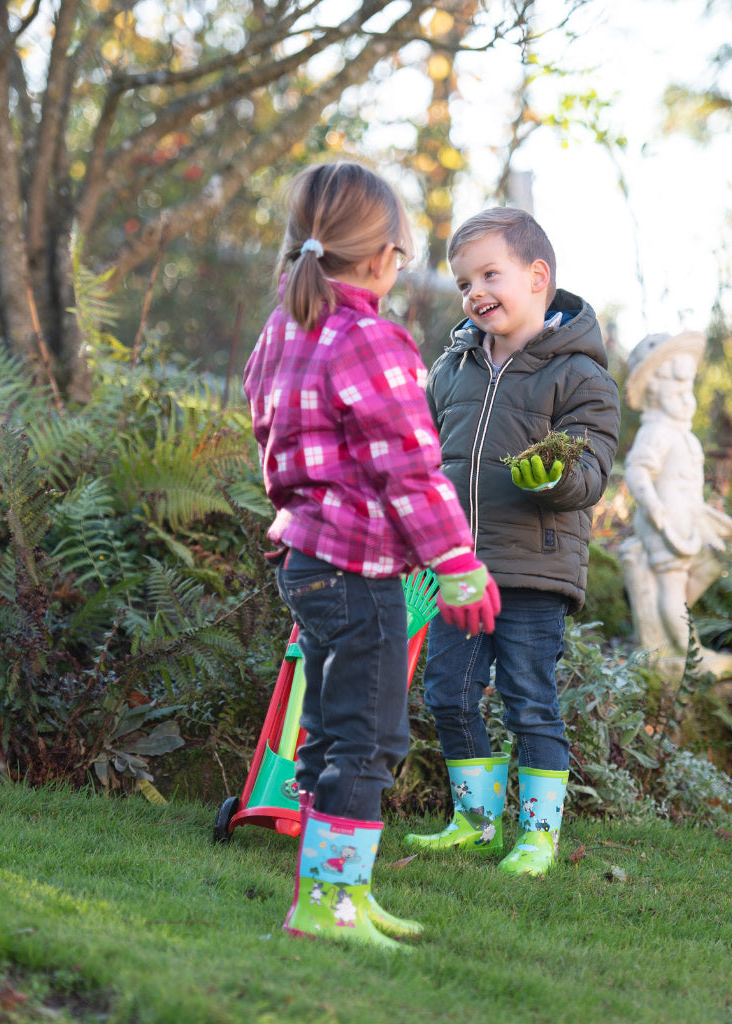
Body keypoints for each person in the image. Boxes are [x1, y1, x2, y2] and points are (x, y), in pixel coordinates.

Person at [243, 161, 500, 949]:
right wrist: (456, 562)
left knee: (328, 730)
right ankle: (330, 907)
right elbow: (410, 468)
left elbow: (270, 433)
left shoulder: (283, 330)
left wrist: (295, 508)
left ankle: (333, 892)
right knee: (371, 739)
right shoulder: (373, 341)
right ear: (387, 256)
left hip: (307, 567)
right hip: (360, 575)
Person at [405, 207, 621, 876]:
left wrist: (557, 479)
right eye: (464, 281)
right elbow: (427, 456)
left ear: (537, 277)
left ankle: (538, 835)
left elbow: (592, 468)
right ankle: (473, 821)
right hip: (458, 568)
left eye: (489, 274)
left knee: (529, 697)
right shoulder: (454, 368)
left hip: (533, 569)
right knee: (447, 691)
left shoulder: (580, 376)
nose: (475, 292)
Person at [619, 331, 732, 686]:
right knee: (671, 588)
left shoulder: (681, 434)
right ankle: (690, 653)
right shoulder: (656, 431)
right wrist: (656, 510)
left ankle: (670, 625)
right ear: (655, 391)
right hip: (666, 525)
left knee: (712, 562)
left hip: (690, 523)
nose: (687, 400)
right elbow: (638, 470)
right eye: (678, 392)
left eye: (689, 391)